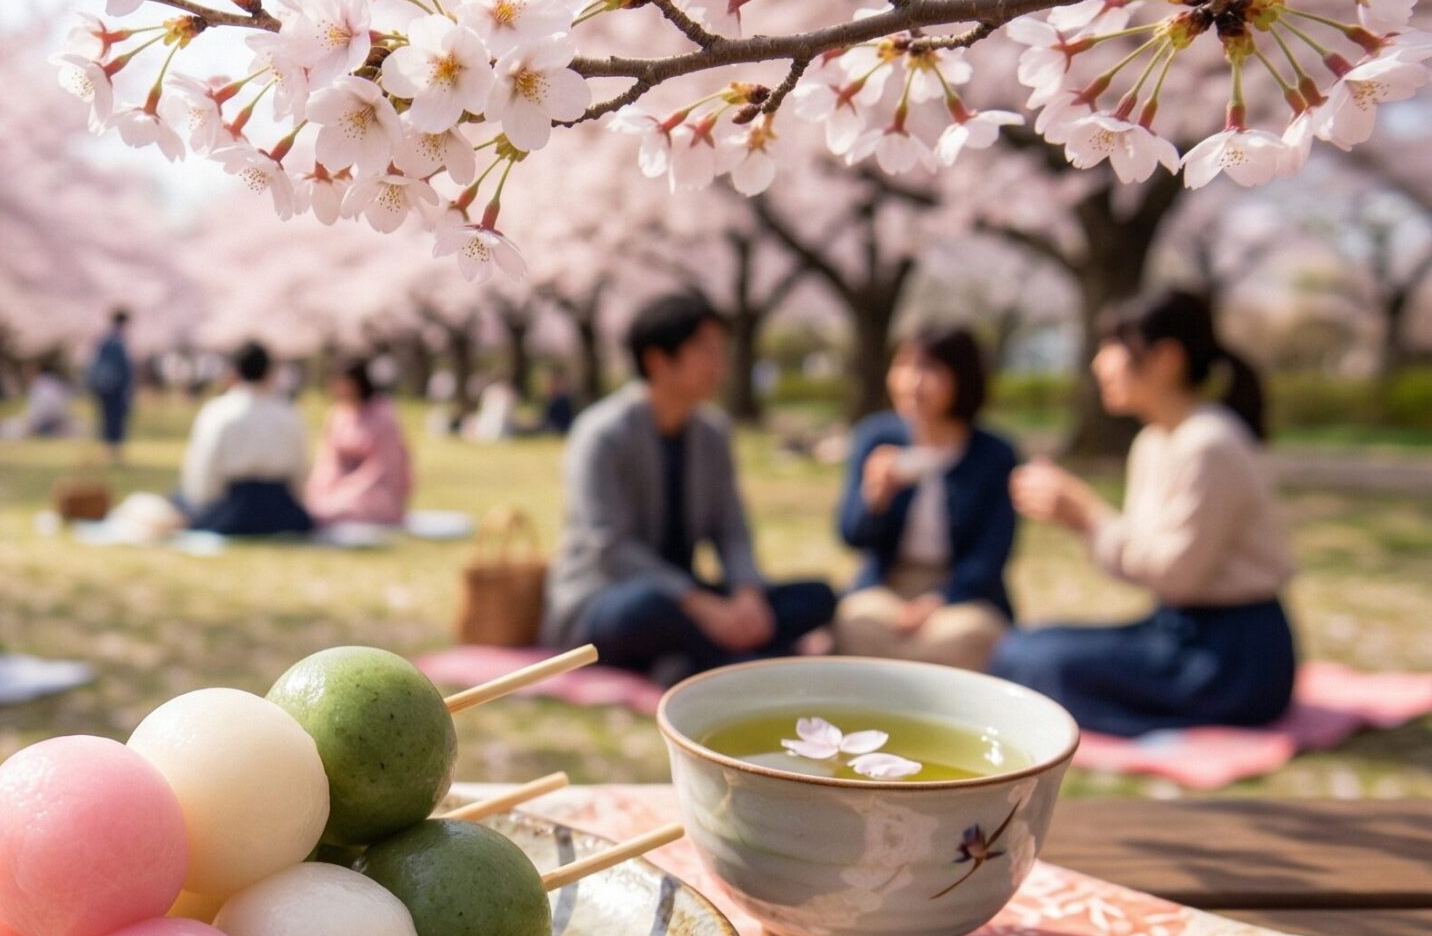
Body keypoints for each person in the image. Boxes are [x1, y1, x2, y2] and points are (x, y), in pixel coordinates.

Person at [991, 291, 1297, 735]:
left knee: (1034, 662)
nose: (1098, 364)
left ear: (1166, 358)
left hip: (1233, 657)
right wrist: (1081, 516)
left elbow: (1177, 575)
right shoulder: (1154, 441)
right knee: (1022, 647)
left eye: (1112, 346)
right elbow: (1148, 558)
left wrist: (1085, 514)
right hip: (1175, 631)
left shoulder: (1209, 444)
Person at [542, 291, 836, 682]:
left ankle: (696, 659)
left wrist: (746, 593)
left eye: (720, 350)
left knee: (818, 596)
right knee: (650, 609)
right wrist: (699, 603)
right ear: (658, 360)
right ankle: (737, 656)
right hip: (607, 597)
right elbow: (610, 548)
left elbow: (731, 528)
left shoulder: (712, 434)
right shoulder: (602, 435)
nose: (719, 363)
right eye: (705, 350)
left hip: (692, 601)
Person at [831, 327, 1020, 671]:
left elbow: (992, 552)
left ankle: (895, 679)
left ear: (962, 377)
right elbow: (850, 534)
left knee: (968, 636)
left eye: (929, 369)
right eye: (903, 366)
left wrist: (939, 601)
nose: (912, 382)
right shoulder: (876, 437)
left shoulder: (994, 454)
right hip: (889, 584)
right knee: (856, 620)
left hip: (963, 592)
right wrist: (875, 498)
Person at [179, 341, 313, 536]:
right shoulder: (288, 412)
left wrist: (204, 503)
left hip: (233, 508)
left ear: (235, 371)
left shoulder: (218, 412)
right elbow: (301, 466)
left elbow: (203, 468)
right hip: (281, 510)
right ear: (269, 372)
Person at [305, 360, 413, 527]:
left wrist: (349, 486)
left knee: (341, 507)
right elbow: (329, 460)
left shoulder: (383, 416)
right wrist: (327, 484)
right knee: (315, 503)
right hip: (341, 485)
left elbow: (385, 466)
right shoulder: (337, 414)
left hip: (375, 489)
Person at [86, 308, 135, 463]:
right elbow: (125, 368)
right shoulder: (117, 340)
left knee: (106, 417)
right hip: (116, 386)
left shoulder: (105, 339)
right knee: (115, 418)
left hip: (103, 385)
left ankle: (108, 451)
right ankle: (113, 452)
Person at [22, 362, 76, 439]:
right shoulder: (45, 382)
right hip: (56, 420)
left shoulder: (40, 385)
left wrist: (31, 425)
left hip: (50, 423)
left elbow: (42, 411)